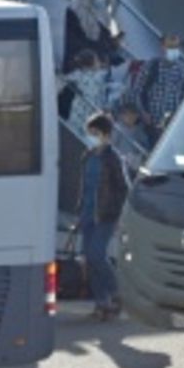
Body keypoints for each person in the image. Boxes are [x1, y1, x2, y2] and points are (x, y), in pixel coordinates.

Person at [76, 113, 127, 321]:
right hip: (87, 214)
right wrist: (79, 212)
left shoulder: (113, 158)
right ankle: (101, 303)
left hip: (105, 215)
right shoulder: (87, 156)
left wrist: (120, 217)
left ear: (106, 135)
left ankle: (117, 292)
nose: (91, 137)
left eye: (95, 133)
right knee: (90, 259)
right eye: (90, 133)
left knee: (97, 255)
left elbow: (124, 189)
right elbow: (83, 187)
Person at [130, 34, 184, 145]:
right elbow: (138, 90)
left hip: (171, 123)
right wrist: (144, 112)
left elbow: (183, 95)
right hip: (151, 121)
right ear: (163, 47)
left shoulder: (182, 70)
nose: (174, 50)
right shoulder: (151, 66)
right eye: (170, 47)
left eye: (176, 47)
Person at [64, 0, 122, 72]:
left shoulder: (100, 19)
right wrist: (96, 58)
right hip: (80, 68)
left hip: (98, 69)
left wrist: (115, 44)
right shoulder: (73, 12)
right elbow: (73, 43)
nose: (102, 0)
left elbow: (104, 45)